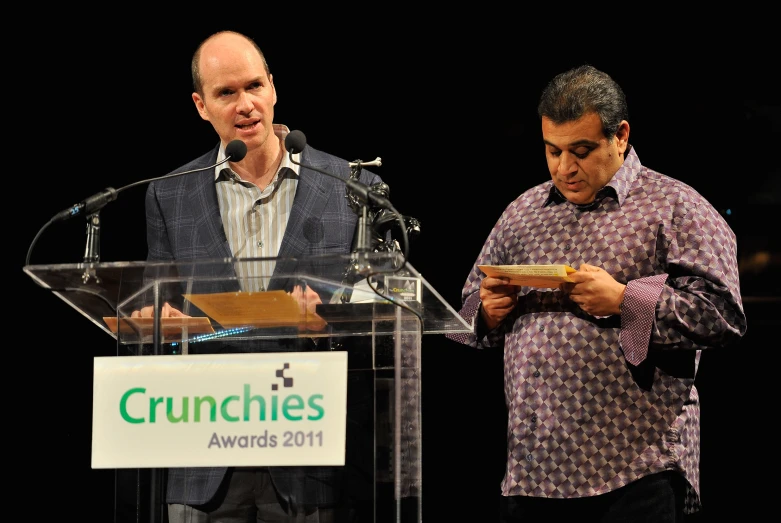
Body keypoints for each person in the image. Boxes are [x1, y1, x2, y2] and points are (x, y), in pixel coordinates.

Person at [447, 64, 746, 522]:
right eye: (553, 151)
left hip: (636, 470)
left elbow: (723, 316)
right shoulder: (524, 212)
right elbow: (464, 314)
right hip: (534, 472)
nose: (564, 167)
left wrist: (627, 301)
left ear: (620, 135)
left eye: (581, 151)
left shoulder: (675, 207)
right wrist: (486, 313)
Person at [131, 30, 386, 522]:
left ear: (273, 86)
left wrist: (336, 314)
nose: (245, 104)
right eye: (226, 93)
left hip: (312, 449)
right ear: (201, 106)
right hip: (204, 450)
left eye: (254, 86)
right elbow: (162, 306)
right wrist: (158, 321)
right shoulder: (168, 195)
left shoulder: (352, 188)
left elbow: (381, 309)